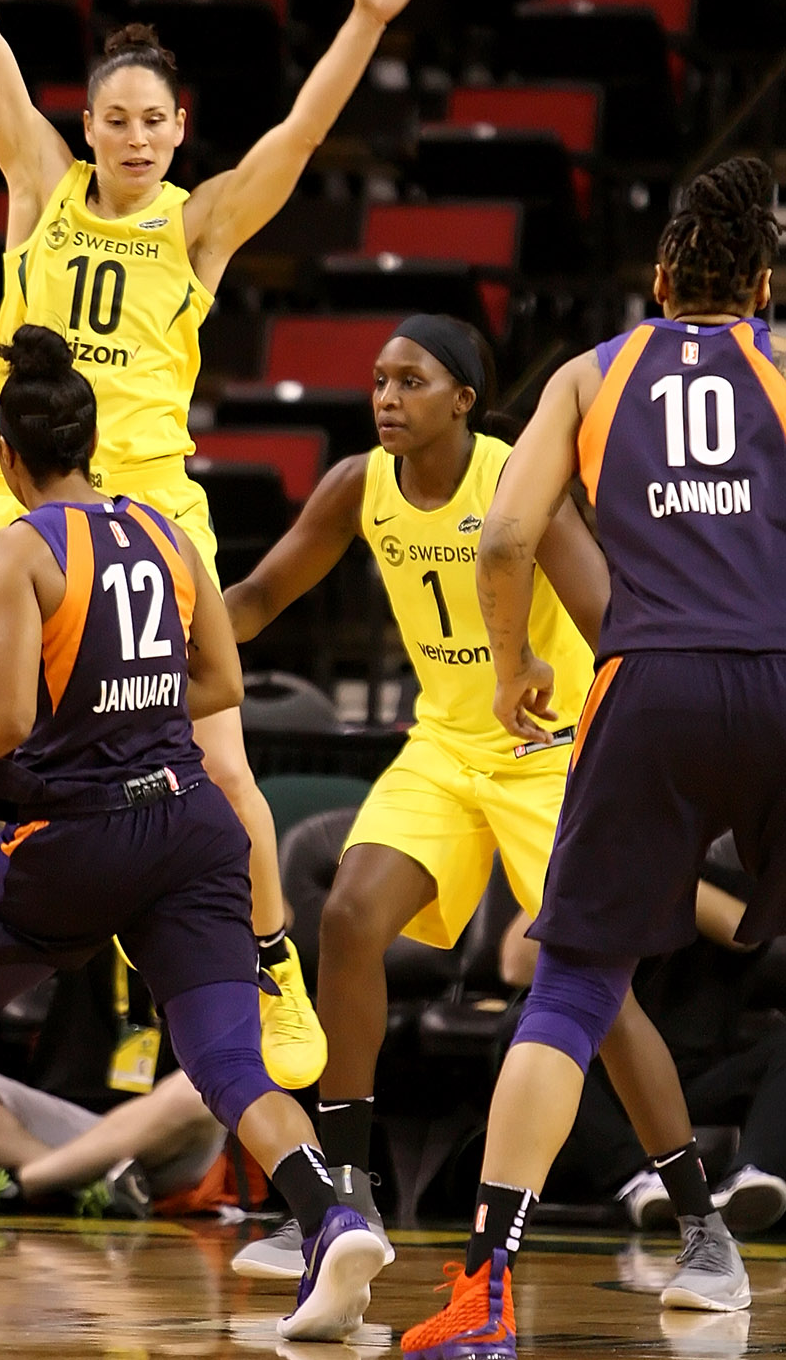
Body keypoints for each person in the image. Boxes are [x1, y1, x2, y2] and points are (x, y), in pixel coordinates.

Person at [0, 0, 446, 1092]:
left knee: (208, 751)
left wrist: (363, 23)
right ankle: (129, 978)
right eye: (114, 117)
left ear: (180, 130)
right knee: (44, 746)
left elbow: (303, 133)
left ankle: (257, 958)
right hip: (25, 506)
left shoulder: (196, 223)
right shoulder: (37, 183)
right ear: (88, 124)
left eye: (153, 120)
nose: (132, 135)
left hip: (143, 513)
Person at [0, 325, 389, 1342]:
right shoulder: (164, 530)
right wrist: (129, 707)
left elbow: (8, 716)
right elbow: (223, 684)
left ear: (6, 457)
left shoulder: (15, 546)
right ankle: (330, 1216)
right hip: (191, 824)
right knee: (228, 1058)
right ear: (90, 442)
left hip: (81, 828)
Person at [223, 315, 726, 1292]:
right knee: (350, 912)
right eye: (375, 379)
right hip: (445, 745)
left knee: (598, 996)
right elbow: (253, 598)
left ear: (460, 397)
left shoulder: (514, 475)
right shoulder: (355, 485)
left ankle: (699, 1223)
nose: (382, 396)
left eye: (407, 380)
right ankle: (344, 1193)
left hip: (552, 751)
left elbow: (607, 617)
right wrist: (166, 638)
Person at [402, 157, 786, 1358]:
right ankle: (703, 1236)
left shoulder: (588, 372)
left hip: (646, 680)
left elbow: (508, 533)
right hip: (777, 675)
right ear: (763, 282)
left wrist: (515, 661)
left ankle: (482, 1287)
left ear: (660, 274)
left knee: (570, 986)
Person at [500, 853, 786, 1236]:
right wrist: (595, 874)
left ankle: (754, 1174)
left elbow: (743, 931)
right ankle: (639, 1180)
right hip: (604, 1078)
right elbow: (515, 963)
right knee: (519, 1027)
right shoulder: (596, 866)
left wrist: (647, 873)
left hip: (696, 1078)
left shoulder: (733, 868)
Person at [0, 1045, 246, 1219]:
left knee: (200, 1088)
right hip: (51, 1127)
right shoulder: (64, 908)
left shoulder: (201, 922)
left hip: (161, 1144)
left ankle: (27, 1183)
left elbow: (272, 917)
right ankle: (81, 1186)